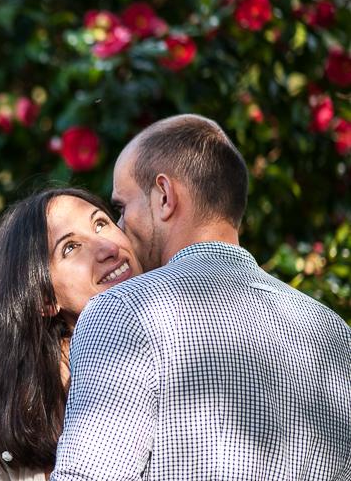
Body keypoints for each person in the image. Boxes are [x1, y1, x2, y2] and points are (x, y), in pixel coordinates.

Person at [51, 114, 351, 480]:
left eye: (122, 208)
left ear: (165, 195)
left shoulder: (126, 310)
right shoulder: (334, 334)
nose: (121, 230)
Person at [0, 187, 142, 480]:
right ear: (45, 299)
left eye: (101, 223)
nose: (107, 247)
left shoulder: (192, 341)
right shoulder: (6, 432)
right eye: (70, 247)